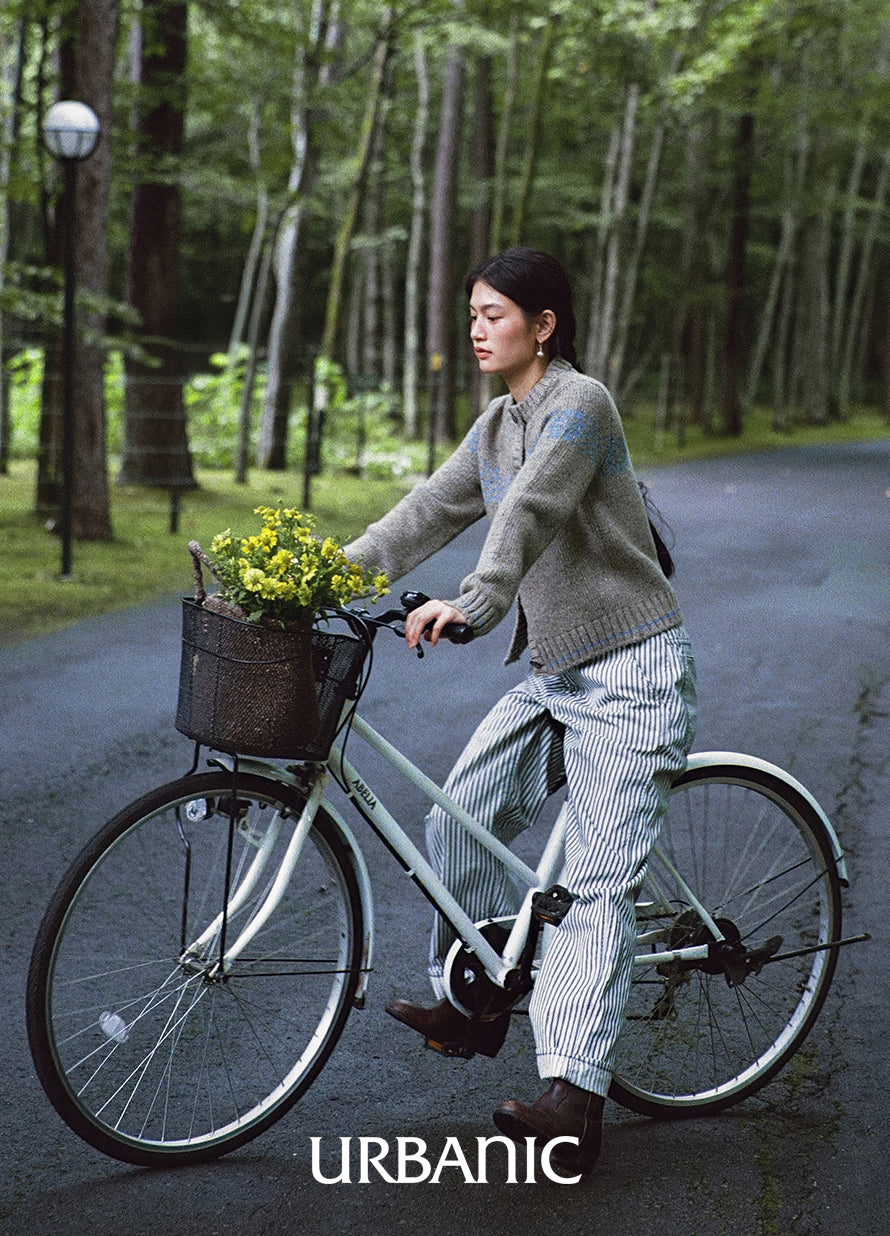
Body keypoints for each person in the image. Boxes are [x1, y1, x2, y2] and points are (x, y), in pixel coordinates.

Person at [344, 246, 697, 1176]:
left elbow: (528, 513)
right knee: (455, 818)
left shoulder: (580, 404)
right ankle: (490, 1001)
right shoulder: (497, 423)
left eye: (494, 314)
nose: (477, 328)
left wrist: (476, 599)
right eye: (471, 313)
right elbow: (426, 510)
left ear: (544, 326)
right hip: (559, 672)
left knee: (594, 885)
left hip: (632, 672)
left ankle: (573, 1095)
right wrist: (319, 580)